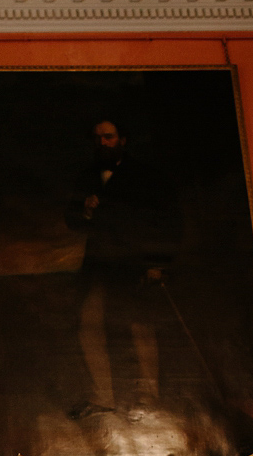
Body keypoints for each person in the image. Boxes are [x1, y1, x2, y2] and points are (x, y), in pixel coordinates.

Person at [65, 118, 181, 419]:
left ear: (123, 140)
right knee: (89, 326)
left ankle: (149, 398)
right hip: (99, 264)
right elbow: (72, 218)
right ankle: (102, 397)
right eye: (98, 138)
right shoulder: (87, 175)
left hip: (135, 263)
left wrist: (158, 263)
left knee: (139, 327)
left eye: (109, 137)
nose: (102, 143)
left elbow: (165, 221)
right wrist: (86, 211)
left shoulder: (146, 176)